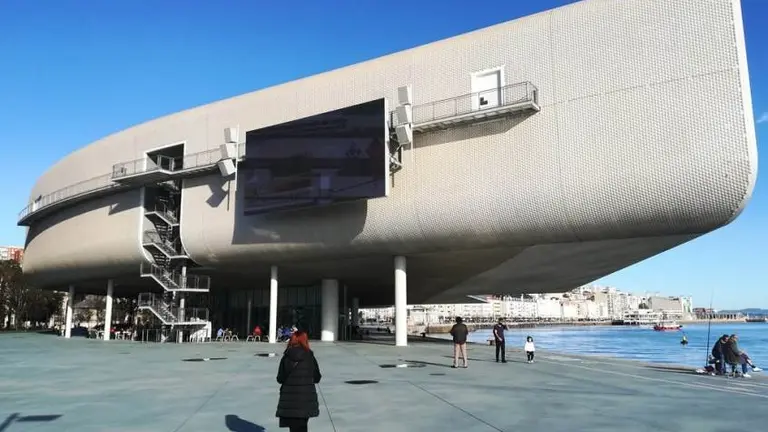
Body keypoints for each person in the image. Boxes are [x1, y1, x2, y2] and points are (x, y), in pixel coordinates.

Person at [276, 330, 322, 432]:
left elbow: (280, 378)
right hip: (306, 399)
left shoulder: (286, 357)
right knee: (302, 427)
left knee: (294, 428)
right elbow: (317, 377)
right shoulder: (310, 357)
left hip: (289, 400)